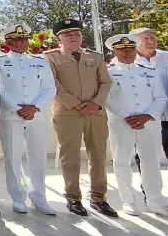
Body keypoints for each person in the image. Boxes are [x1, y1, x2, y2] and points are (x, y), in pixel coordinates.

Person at [44, 19, 116, 217]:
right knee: (70, 157)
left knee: (99, 156)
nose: (73, 37)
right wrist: (76, 105)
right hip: (68, 113)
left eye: (76, 34)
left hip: (96, 112)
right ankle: (73, 197)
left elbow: (105, 82)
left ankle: (98, 198)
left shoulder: (96, 57)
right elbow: (53, 84)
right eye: (67, 35)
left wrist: (95, 104)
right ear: (59, 38)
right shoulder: (50, 58)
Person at [105, 34, 168, 220]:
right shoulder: (108, 72)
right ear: (114, 51)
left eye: (131, 49)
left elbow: (161, 97)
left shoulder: (149, 70)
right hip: (121, 123)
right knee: (122, 161)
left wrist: (147, 116)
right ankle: (128, 200)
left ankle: (155, 201)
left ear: (136, 50)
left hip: (149, 123)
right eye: (122, 49)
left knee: (151, 161)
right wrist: (127, 116)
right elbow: (107, 98)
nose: (127, 52)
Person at [0, 24, 56, 215]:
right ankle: (18, 197)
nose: (22, 42)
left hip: (36, 115)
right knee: (13, 157)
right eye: (18, 39)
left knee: (38, 157)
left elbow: (50, 88)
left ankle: (39, 197)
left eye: (25, 39)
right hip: (11, 115)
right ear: (8, 42)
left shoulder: (40, 61)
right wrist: (17, 108)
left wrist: (34, 108)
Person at [129, 27, 168, 203]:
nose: (150, 40)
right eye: (145, 38)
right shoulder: (127, 61)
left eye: (153, 37)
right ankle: (150, 194)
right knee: (145, 158)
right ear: (135, 41)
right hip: (146, 119)